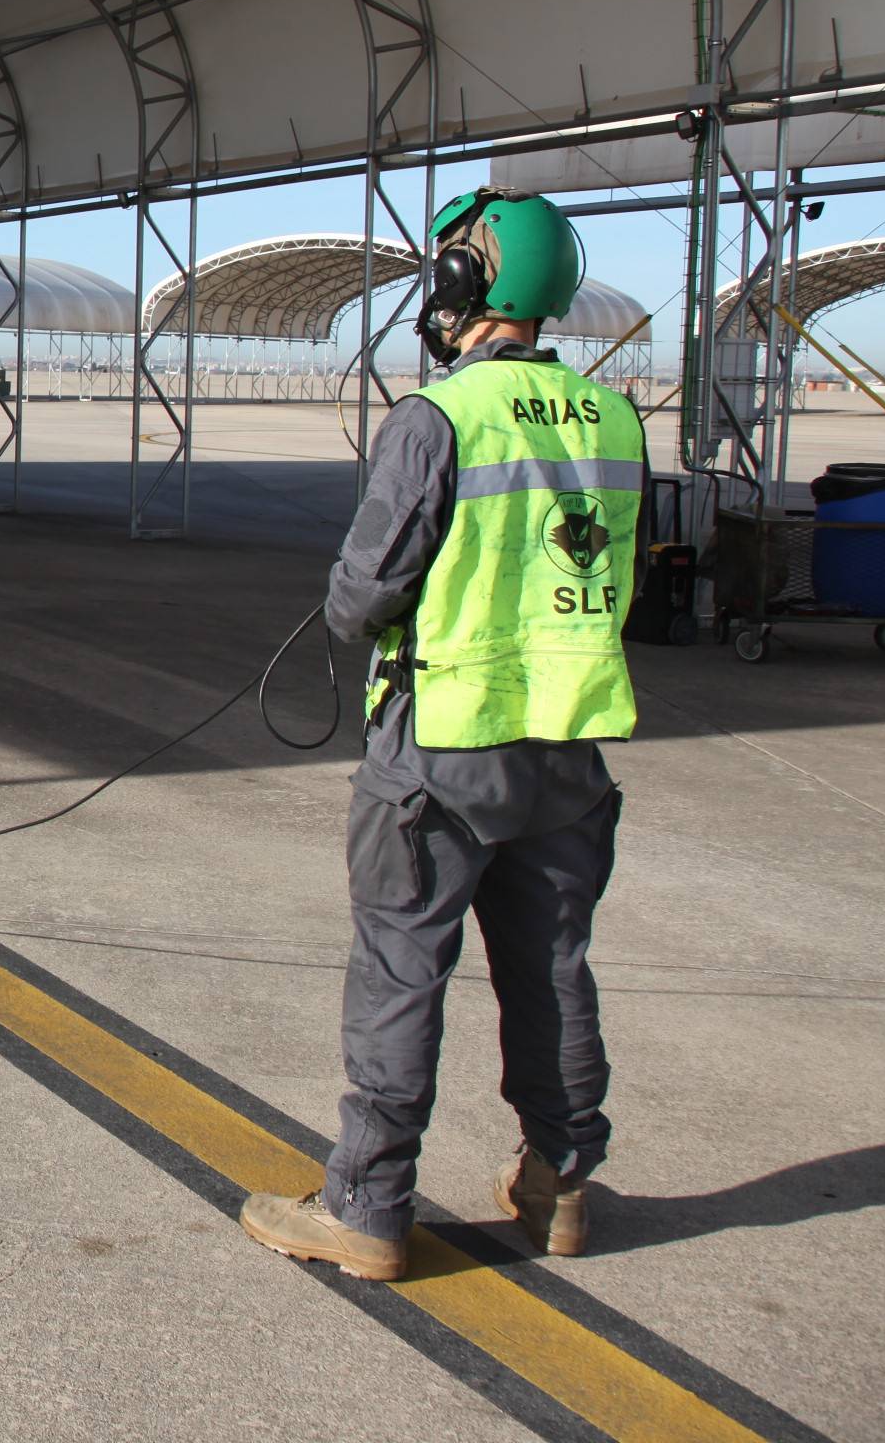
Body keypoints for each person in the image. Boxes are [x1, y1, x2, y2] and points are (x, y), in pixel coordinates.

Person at [240, 188, 646, 1283]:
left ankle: (368, 1204)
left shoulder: (441, 417)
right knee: (554, 965)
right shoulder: (615, 419)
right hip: (567, 749)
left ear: (475, 281)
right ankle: (560, 1182)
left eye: (454, 261)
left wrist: (356, 600)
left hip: (445, 745)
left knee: (400, 969)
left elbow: (364, 595)